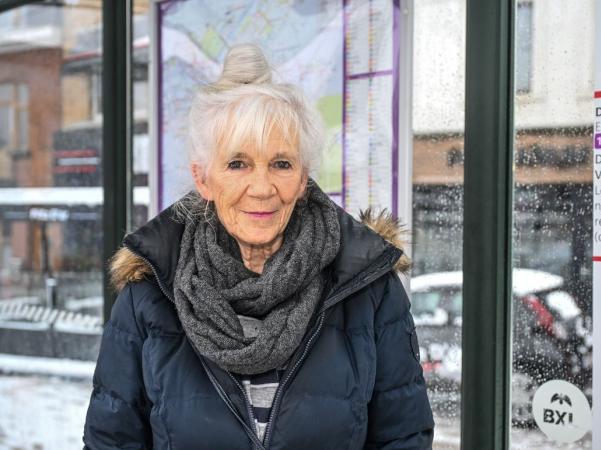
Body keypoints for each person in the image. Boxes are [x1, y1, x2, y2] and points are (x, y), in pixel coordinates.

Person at [83, 44, 434, 450]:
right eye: (237, 164)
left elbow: (403, 439)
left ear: (303, 179)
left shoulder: (366, 289)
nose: (262, 188)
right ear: (203, 179)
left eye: (281, 164)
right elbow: (111, 441)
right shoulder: (150, 294)